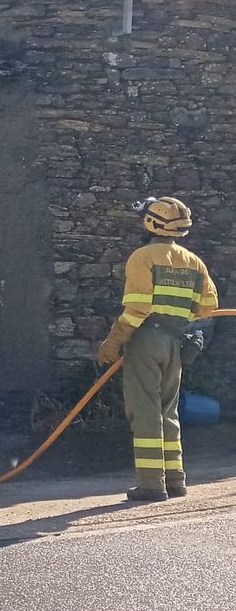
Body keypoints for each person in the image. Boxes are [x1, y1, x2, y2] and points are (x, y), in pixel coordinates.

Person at [96, 197, 219, 501]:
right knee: (169, 410)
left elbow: (136, 309)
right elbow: (208, 307)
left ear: (151, 223)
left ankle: (151, 484)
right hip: (176, 341)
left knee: (145, 409)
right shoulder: (194, 262)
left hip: (146, 338)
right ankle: (175, 480)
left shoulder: (143, 257)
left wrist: (112, 344)